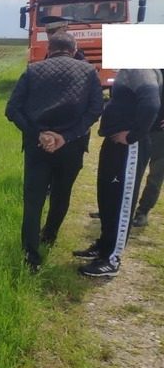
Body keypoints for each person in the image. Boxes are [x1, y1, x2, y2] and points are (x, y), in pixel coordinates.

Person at [5, 32, 103, 272]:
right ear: (74, 48)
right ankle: (49, 236)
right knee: (61, 195)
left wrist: (38, 133)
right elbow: (95, 110)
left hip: (38, 146)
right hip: (71, 147)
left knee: (33, 200)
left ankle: (30, 254)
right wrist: (65, 136)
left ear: (49, 48)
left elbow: (12, 109)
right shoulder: (88, 72)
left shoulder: (32, 71)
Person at [74, 69, 162, 277]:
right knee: (107, 198)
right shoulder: (128, 70)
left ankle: (111, 259)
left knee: (121, 201)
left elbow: (151, 105)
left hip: (129, 147)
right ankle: (104, 245)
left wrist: (133, 136)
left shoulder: (140, 68)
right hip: (115, 143)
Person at [132, 69, 164, 227]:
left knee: (155, 175)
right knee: (130, 171)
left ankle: (143, 211)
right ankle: (121, 207)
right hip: (139, 128)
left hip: (160, 132)